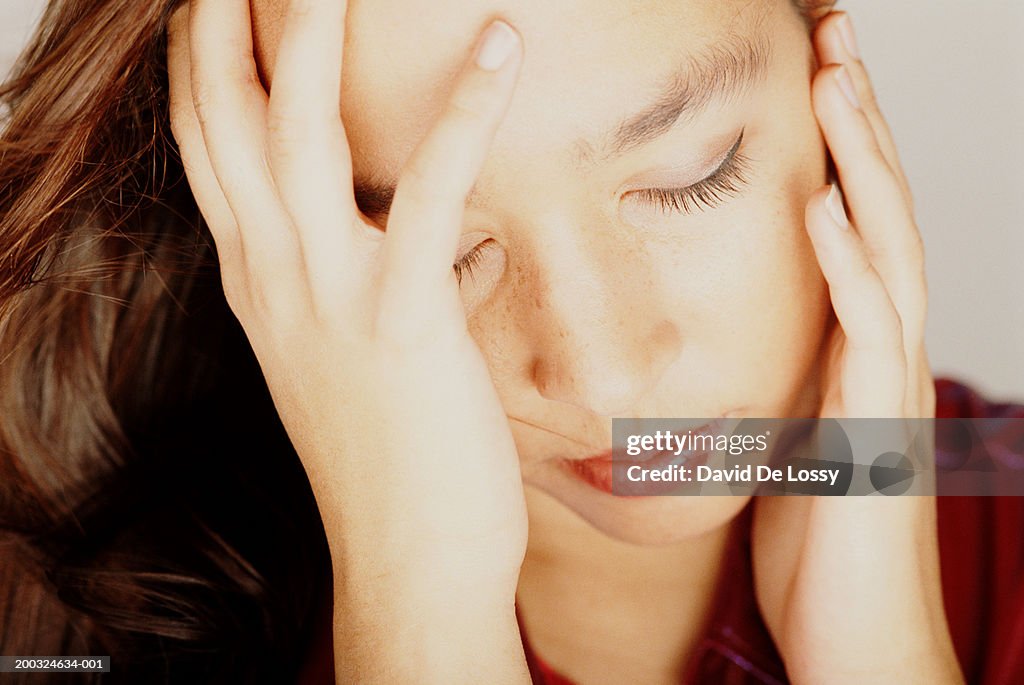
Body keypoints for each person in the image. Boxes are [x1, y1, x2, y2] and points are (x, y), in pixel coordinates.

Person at [0, 0, 1020, 683]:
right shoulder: (79, 622)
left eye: (689, 174)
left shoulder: (1001, 483)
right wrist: (413, 610)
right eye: (432, 248)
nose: (597, 371)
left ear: (825, 64)